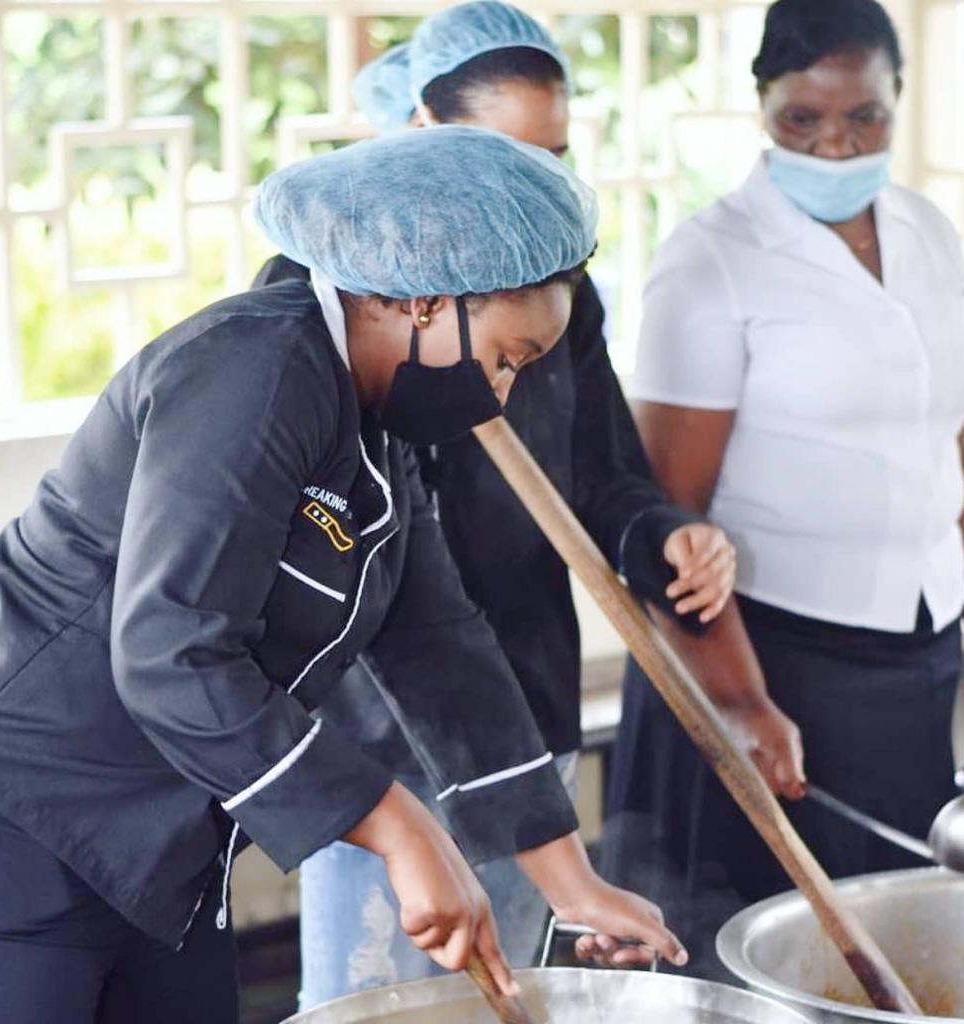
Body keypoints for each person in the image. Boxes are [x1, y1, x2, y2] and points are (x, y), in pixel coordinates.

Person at [0, 126, 693, 1024]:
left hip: (160, 851)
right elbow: (169, 650)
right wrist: (396, 822)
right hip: (18, 828)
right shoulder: (255, 370)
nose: (503, 393)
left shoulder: (376, 423)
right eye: (507, 357)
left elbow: (438, 642)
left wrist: (570, 879)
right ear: (429, 301)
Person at [251, 3, 741, 1009]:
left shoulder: (559, 288)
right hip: (383, 742)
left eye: (555, 156)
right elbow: (388, 589)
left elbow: (602, 477)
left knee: (506, 1000)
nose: (532, 191)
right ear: (421, 134)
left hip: (524, 706)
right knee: (379, 1003)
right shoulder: (335, 302)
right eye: (506, 154)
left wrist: (664, 539)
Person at [606, 0, 964, 977]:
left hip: (911, 662)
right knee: (772, 960)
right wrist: (740, 701)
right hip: (766, 662)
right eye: (801, 120)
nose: (834, 145)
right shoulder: (710, 259)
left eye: (862, 117)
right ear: (761, 107)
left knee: (896, 952)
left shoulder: (928, 236)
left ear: (897, 102)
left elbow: (958, 459)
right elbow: (667, 518)